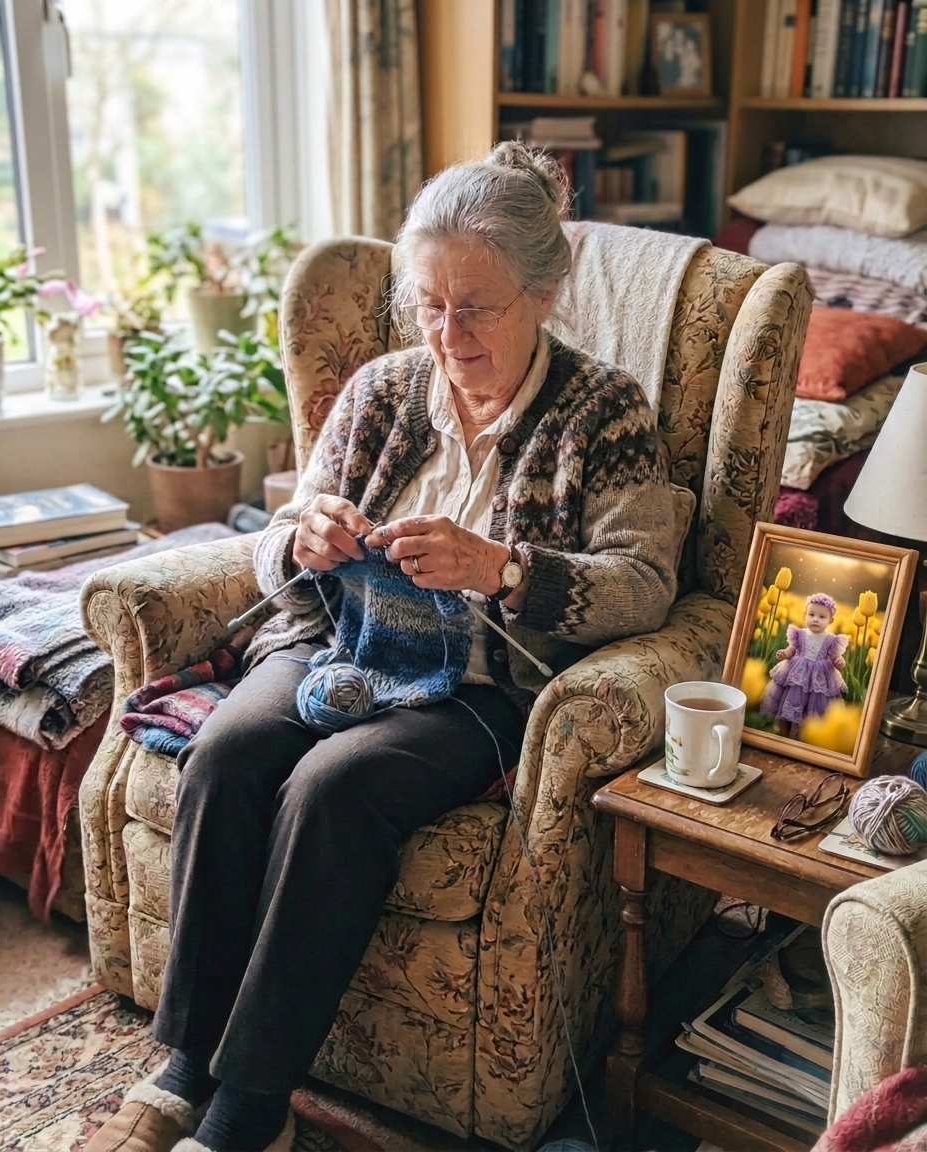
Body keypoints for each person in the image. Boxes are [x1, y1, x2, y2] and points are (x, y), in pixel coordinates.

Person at [86, 142, 678, 1152]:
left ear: (542, 293)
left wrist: (501, 568)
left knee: (334, 788)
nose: (449, 334)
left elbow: (645, 585)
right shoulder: (381, 390)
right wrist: (300, 539)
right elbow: (275, 546)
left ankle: (250, 1108)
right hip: (331, 646)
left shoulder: (603, 410)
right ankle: (183, 1068)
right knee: (227, 756)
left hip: (475, 686)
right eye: (431, 305)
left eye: (477, 307)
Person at [760, 593, 848, 738]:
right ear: (804, 616)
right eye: (811, 614)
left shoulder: (831, 640)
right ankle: (783, 730)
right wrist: (785, 654)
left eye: (822, 617)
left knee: (813, 708)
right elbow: (791, 650)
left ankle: (807, 732)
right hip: (797, 674)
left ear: (830, 621)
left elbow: (834, 657)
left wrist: (839, 661)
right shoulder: (799, 634)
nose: (815, 619)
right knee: (790, 702)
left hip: (819, 678)